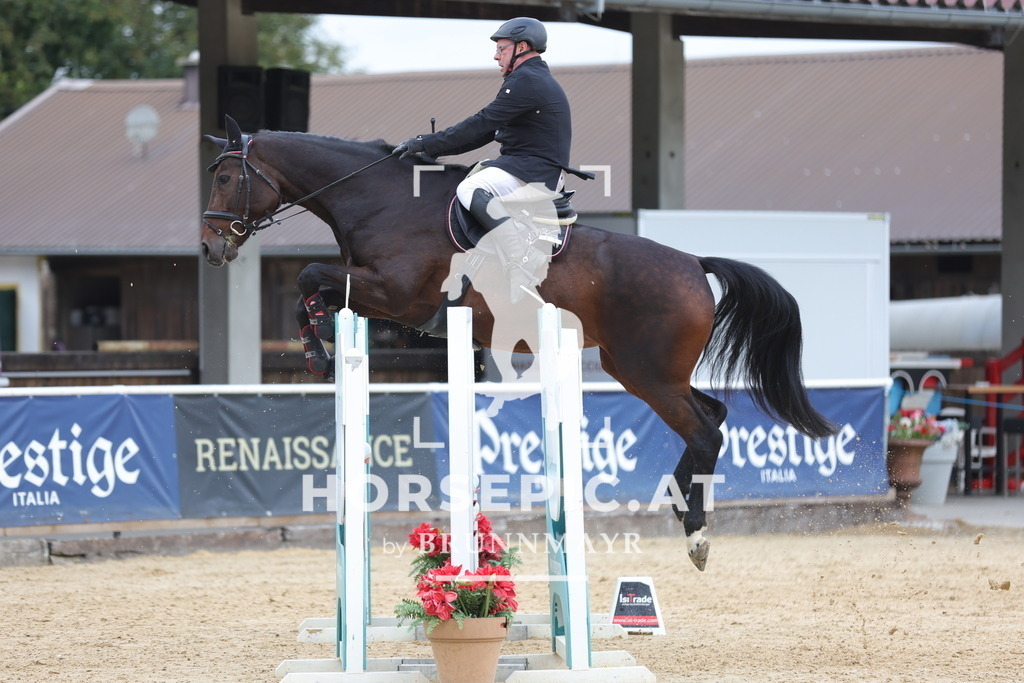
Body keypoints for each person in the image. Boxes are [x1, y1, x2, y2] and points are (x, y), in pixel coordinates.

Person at [393, 17, 572, 302]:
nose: (496, 55)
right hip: (525, 166)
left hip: (533, 171)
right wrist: (431, 149)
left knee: (469, 189)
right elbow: (488, 131)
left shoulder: (528, 80)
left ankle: (519, 262)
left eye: (502, 49)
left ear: (522, 47)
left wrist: (425, 142)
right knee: (467, 179)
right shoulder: (528, 78)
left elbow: (482, 122)